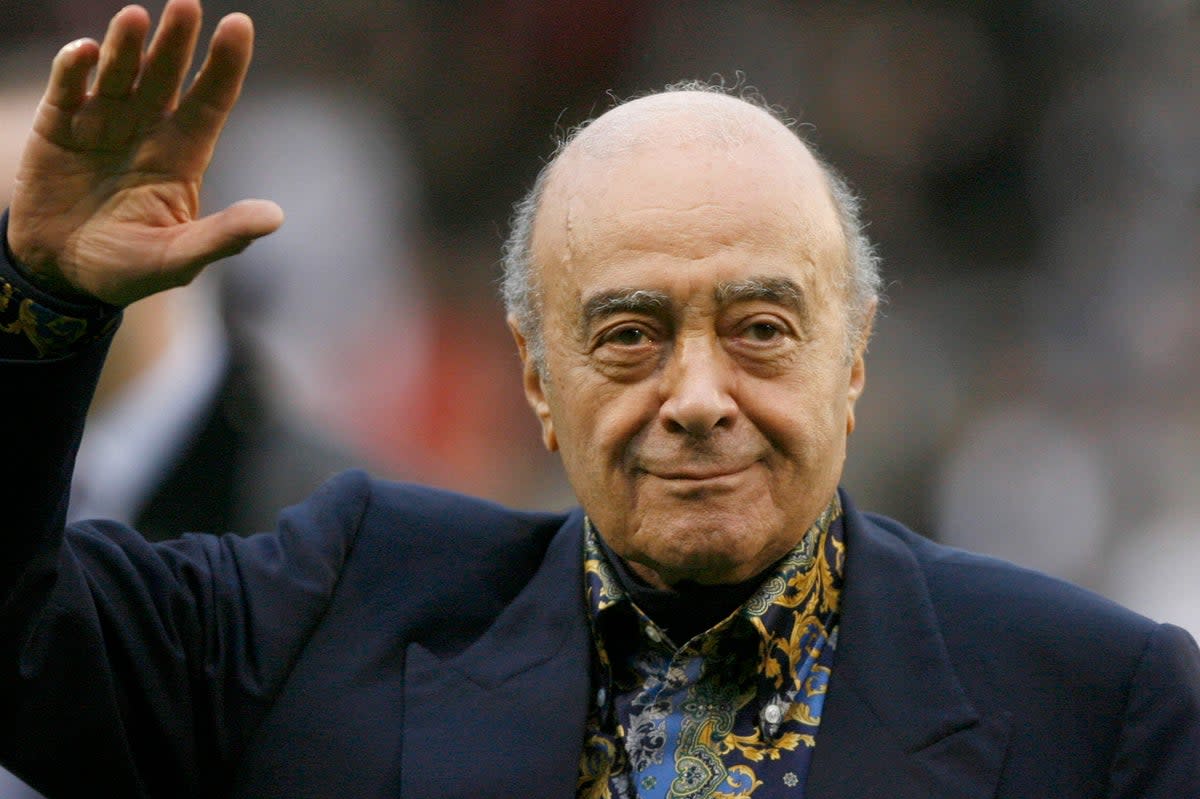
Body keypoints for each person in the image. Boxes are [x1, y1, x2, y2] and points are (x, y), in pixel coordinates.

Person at [0, 2, 1196, 798]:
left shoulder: (1097, 704)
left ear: (855, 356)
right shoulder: (341, 604)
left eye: (761, 330)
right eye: (629, 336)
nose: (697, 396)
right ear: (535, 375)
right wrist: (39, 306)